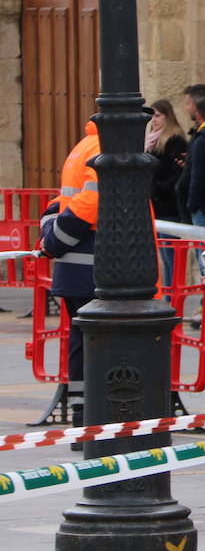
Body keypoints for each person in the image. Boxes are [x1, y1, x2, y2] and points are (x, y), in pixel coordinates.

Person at [38, 118, 101, 433]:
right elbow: (89, 204)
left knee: (81, 340)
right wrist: (54, 241)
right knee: (99, 343)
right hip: (97, 265)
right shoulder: (104, 147)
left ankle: (82, 416)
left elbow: (61, 202)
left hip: (74, 267)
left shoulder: (82, 145)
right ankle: (92, 420)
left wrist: (51, 234)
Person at [146, 98, 189, 287]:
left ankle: (173, 293)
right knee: (163, 254)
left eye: (158, 116)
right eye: (152, 116)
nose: (154, 120)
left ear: (168, 116)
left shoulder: (174, 139)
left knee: (171, 253)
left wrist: (159, 188)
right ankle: (169, 291)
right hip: (156, 204)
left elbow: (178, 173)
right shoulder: (152, 140)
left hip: (169, 204)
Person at [176, 86, 205, 224]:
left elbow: (200, 175)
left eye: (188, 103)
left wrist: (192, 204)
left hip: (203, 206)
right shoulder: (199, 134)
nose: (186, 108)